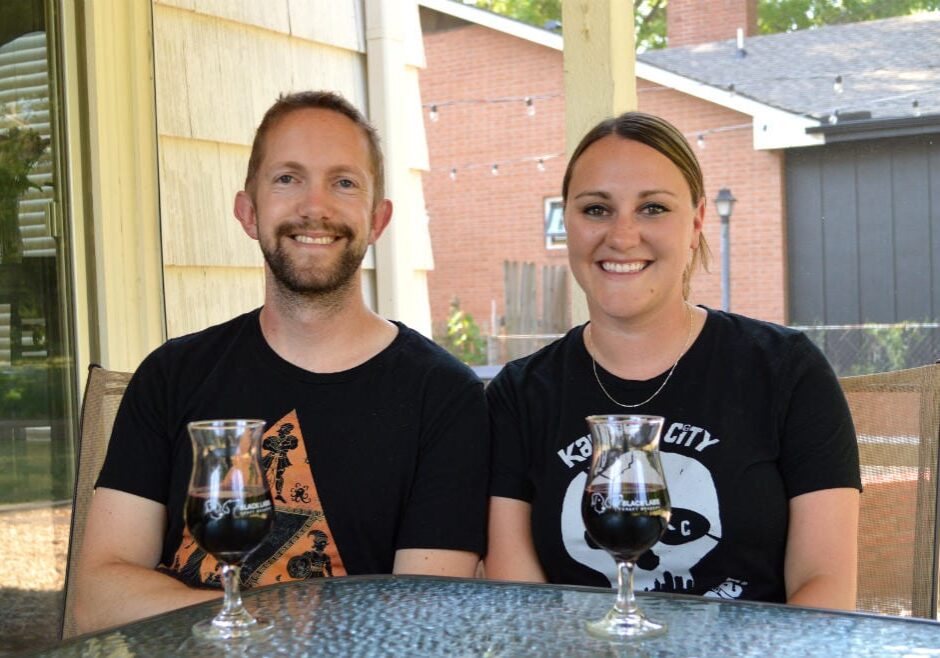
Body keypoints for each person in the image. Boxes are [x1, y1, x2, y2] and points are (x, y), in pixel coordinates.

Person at [74, 91, 489, 632]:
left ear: (378, 219)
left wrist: (240, 626)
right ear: (248, 212)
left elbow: (420, 624)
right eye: (288, 178)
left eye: (344, 182)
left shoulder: (444, 398)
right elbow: (97, 598)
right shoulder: (171, 375)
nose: (315, 206)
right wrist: (251, 626)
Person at [485, 112, 861, 610]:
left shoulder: (786, 371)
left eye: (653, 208)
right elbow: (518, 604)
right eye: (596, 209)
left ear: (696, 222)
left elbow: (826, 585)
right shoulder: (518, 396)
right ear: (569, 223)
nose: (622, 236)